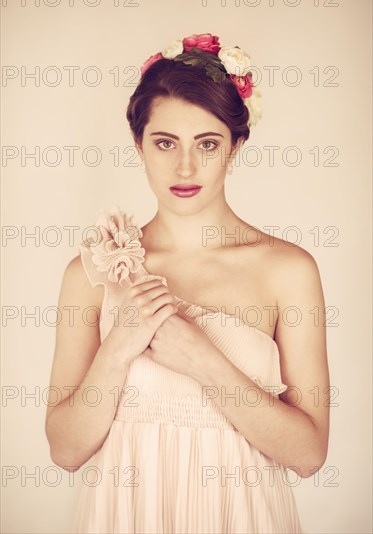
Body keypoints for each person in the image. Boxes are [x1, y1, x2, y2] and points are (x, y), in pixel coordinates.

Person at [45, 33, 330, 533]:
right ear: (139, 144)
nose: (185, 167)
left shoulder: (288, 271)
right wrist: (119, 346)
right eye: (165, 143)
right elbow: (66, 451)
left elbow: (308, 455)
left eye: (208, 144)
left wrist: (203, 359)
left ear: (235, 146)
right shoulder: (93, 271)